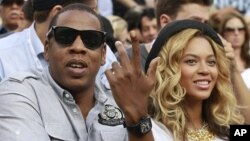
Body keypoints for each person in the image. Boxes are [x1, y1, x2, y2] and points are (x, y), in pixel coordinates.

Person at [0, 3, 170, 141]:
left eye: (91, 39)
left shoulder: (121, 100)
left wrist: (138, 120)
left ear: (104, 54)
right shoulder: (19, 93)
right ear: (46, 48)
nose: (78, 48)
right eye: (65, 36)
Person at [145, 19, 245, 141]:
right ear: (167, 70)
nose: (205, 70)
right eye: (191, 61)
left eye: (211, 62)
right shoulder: (151, 131)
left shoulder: (228, 129)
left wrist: (233, 69)